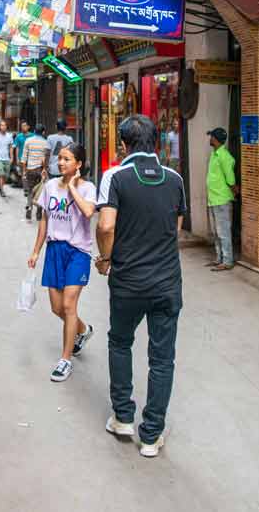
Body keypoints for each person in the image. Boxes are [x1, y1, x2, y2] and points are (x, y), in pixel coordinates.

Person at [95, 114, 187, 458]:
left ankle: (123, 417)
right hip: (166, 283)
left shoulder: (115, 176)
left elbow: (106, 227)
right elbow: (174, 229)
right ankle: (151, 435)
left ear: (123, 145)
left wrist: (105, 259)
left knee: (120, 342)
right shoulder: (175, 178)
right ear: (156, 143)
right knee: (162, 358)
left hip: (128, 282)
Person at [27, 142, 97, 382]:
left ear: (78, 164)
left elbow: (88, 212)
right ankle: (83, 330)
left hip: (78, 251)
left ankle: (65, 359)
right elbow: (44, 220)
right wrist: (36, 251)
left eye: (67, 159)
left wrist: (72, 187)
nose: (61, 162)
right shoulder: (48, 187)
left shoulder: (88, 188)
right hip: (54, 249)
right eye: (60, 159)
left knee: (68, 306)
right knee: (57, 308)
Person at [205, 127, 238, 271]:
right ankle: (219, 258)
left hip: (222, 200)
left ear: (216, 139)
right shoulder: (214, 154)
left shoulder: (224, 156)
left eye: (211, 136)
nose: (209, 138)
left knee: (223, 232)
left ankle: (227, 260)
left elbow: (230, 179)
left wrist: (235, 190)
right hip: (213, 199)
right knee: (216, 232)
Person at [21, 125, 51, 221]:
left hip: (30, 169)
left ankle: (29, 206)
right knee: (40, 191)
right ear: (43, 132)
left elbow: (24, 158)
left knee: (30, 190)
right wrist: (45, 170)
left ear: (34, 131)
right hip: (40, 170)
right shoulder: (46, 143)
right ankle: (38, 213)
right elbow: (46, 159)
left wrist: (24, 171)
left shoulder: (28, 141)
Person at [0, 119, 15, 198]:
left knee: (6, 176)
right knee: (1, 174)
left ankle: (0, 187)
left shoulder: (9, 136)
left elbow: (11, 147)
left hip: (6, 158)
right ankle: (2, 190)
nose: (3, 127)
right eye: (2, 125)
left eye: (4, 125)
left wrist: (12, 157)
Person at [12, 120, 32, 189]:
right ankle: (25, 187)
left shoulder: (32, 136)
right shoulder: (18, 136)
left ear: (28, 127)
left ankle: (28, 185)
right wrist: (17, 158)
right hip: (21, 158)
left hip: (31, 158)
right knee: (23, 173)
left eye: (25, 126)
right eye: (22, 126)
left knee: (29, 172)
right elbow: (16, 147)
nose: (23, 127)